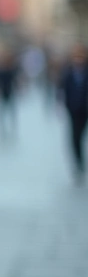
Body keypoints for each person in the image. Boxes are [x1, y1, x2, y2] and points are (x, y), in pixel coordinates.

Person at [59, 44, 88, 186]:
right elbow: (63, 89)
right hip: (74, 110)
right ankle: (79, 163)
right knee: (75, 138)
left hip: (85, 110)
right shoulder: (68, 72)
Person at [0, 49, 19, 141]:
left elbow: (16, 79)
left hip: (10, 92)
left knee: (10, 111)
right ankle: (2, 130)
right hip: (2, 92)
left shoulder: (11, 68)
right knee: (2, 112)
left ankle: (11, 128)